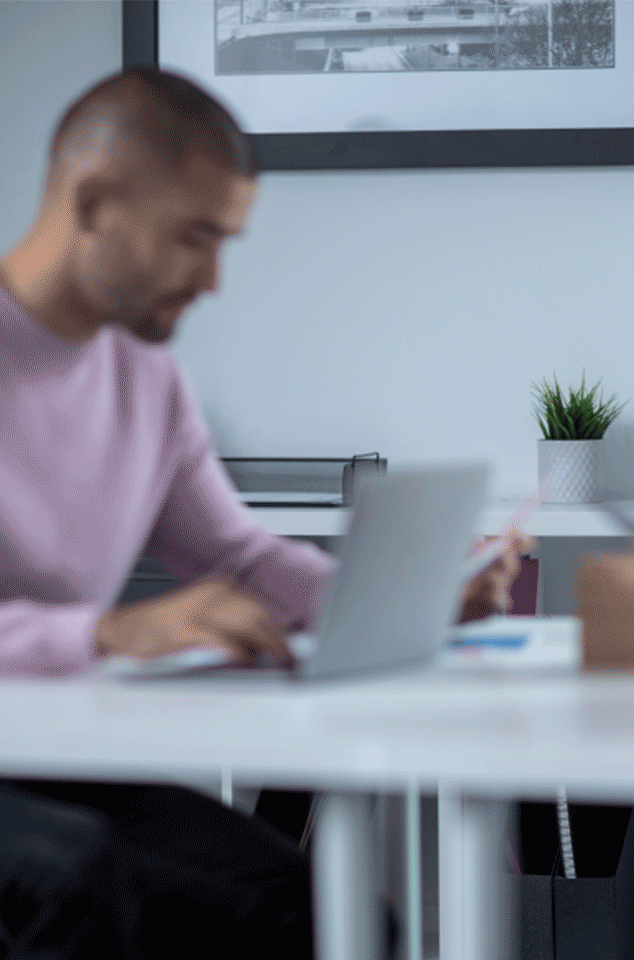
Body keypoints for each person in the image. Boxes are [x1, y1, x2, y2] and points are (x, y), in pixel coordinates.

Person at [0, 66, 532, 958]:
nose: (212, 279)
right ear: (93, 204)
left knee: (330, 914)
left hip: (50, 764)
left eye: (226, 244)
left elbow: (237, 556)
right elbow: (112, 632)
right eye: (194, 238)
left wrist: (410, 595)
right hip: (43, 793)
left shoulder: (147, 379)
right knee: (71, 877)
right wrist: (105, 636)